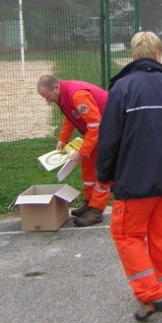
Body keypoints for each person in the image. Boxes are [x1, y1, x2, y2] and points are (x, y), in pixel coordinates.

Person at [96, 31, 162, 322]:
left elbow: (109, 139)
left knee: (126, 234)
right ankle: (161, 292)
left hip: (135, 182)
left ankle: (151, 292)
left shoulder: (122, 89)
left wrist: (104, 175)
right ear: (158, 54)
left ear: (134, 55)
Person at [36, 75, 112, 227]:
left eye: (47, 96)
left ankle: (97, 210)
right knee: (88, 168)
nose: (47, 100)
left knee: (102, 171)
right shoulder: (63, 96)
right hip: (98, 131)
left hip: (110, 132)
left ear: (56, 87)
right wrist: (62, 140)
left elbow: (95, 124)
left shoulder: (77, 94)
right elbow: (70, 117)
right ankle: (90, 203)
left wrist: (82, 152)